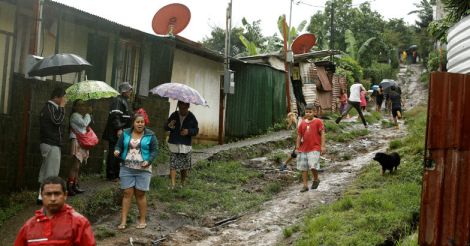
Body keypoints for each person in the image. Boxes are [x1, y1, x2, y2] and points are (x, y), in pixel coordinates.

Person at [14, 176, 96, 245]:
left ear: (65, 195)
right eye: (48, 194)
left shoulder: (79, 223)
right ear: (41, 196)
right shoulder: (29, 226)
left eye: (57, 194)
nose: (53, 199)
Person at [114, 113, 158, 230]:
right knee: (127, 194)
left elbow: (154, 151)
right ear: (133, 123)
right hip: (126, 168)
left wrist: (148, 161)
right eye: (137, 122)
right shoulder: (125, 133)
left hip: (143, 170)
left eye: (142, 122)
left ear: (145, 123)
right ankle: (123, 221)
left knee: (140, 194)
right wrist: (117, 151)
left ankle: (142, 220)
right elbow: (118, 146)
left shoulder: (151, 135)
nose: (140, 124)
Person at [37, 87, 67, 205]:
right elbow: (57, 121)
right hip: (50, 143)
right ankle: (46, 197)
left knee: (46, 171)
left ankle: (41, 196)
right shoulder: (49, 108)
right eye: (64, 97)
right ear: (56, 97)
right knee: (51, 173)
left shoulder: (51, 108)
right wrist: (62, 108)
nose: (66, 100)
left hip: (50, 143)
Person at [164, 101, 199, 189]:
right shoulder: (174, 115)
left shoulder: (191, 117)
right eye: (181, 107)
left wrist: (188, 131)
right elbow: (166, 127)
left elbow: (196, 130)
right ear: (178, 106)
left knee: (184, 165)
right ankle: (172, 184)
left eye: (185, 108)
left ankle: (182, 182)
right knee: (173, 164)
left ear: (188, 106)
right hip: (174, 142)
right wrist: (170, 125)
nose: (182, 109)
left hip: (185, 144)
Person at [102, 82, 133, 181]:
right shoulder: (118, 101)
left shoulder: (124, 101)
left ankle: (116, 174)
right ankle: (111, 175)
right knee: (114, 153)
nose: (130, 92)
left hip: (122, 131)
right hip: (116, 131)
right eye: (129, 90)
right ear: (124, 91)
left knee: (119, 153)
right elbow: (115, 116)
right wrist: (119, 128)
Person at [296, 103, 326, 192]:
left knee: (313, 166)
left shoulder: (318, 121)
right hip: (303, 148)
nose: (308, 113)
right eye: (306, 112)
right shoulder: (302, 123)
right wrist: (297, 146)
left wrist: (323, 146)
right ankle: (305, 185)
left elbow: (323, 134)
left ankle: (316, 179)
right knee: (303, 167)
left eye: (310, 112)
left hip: (315, 148)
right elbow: (299, 135)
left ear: (314, 112)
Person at [68, 99, 92, 196]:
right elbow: (84, 124)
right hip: (76, 141)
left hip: (81, 141)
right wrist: (88, 114)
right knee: (75, 165)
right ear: (75, 107)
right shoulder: (75, 116)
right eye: (80, 105)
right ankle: (69, 186)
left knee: (78, 166)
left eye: (83, 105)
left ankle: (75, 184)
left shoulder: (81, 116)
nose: (82, 107)